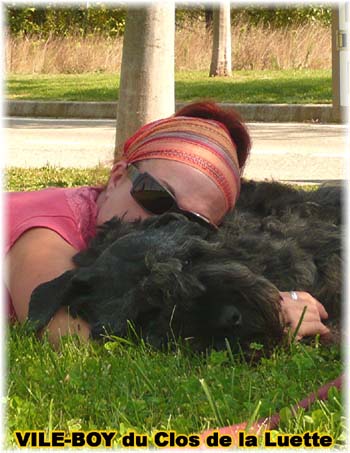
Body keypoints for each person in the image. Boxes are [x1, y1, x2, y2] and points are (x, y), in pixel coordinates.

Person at [4, 101, 330, 347]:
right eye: (156, 198)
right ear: (118, 177)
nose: (162, 225)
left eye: (192, 222)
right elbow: (67, 337)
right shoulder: (48, 226)